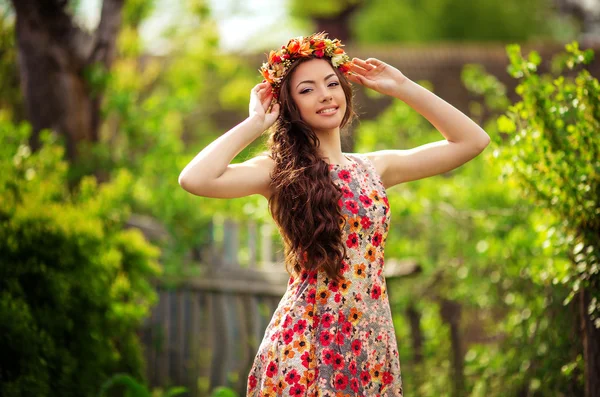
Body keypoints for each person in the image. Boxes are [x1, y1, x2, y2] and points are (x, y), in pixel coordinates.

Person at [179, 32, 490, 397]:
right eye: (307, 89)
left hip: (371, 336)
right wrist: (254, 123)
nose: (325, 94)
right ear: (290, 105)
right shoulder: (279, 171)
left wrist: (403, 87)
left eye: (331, 83)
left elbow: (472, 141)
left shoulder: (375, 167)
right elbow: (194, 178)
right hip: (308, 340)